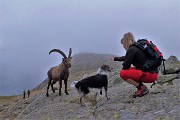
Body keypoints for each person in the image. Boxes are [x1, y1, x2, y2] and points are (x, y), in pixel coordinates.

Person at [111, 32, 158, 98]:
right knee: (131, 70)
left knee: (123, 73)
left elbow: (125, 66)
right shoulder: (137, 47)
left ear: (125, 42)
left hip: (149, 75)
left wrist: (127, 64)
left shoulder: (131, 49)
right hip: (154, 74)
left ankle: (141, 88)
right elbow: (127, 57)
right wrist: (116, 59)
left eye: (123, 44)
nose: (123, 46)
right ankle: (141, 87)